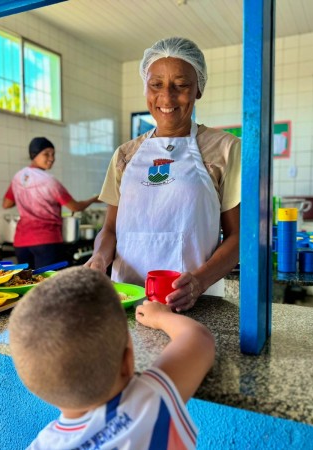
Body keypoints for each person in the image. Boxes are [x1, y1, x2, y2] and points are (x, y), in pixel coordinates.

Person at [85, 37, 241, 311]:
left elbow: (238, 237)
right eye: (156, 85)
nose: (166, 97)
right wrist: (99, 258)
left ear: (198, 89)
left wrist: (198, 282)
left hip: (193, 303)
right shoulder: (125, 155)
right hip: (125, 301)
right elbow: (109, 229)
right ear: (145, 87)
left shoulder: (225, 149)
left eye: (181, 85)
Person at [8, 266, 215, 450]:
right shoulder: (148, 403)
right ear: (127, 362)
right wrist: (162, 316)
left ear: (35, 387)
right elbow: (199, 339)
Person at [3, 137, 99, 268]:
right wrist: (93, 199)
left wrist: (25, 195)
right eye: (46, 154)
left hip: (21, 243)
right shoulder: (49, 181)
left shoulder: (18, 177)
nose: (52, 158)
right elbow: (75, 207)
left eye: (53, 154)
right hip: (46, 241)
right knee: (49, 284)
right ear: (34, 155)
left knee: (28, 283)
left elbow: (6, 204)